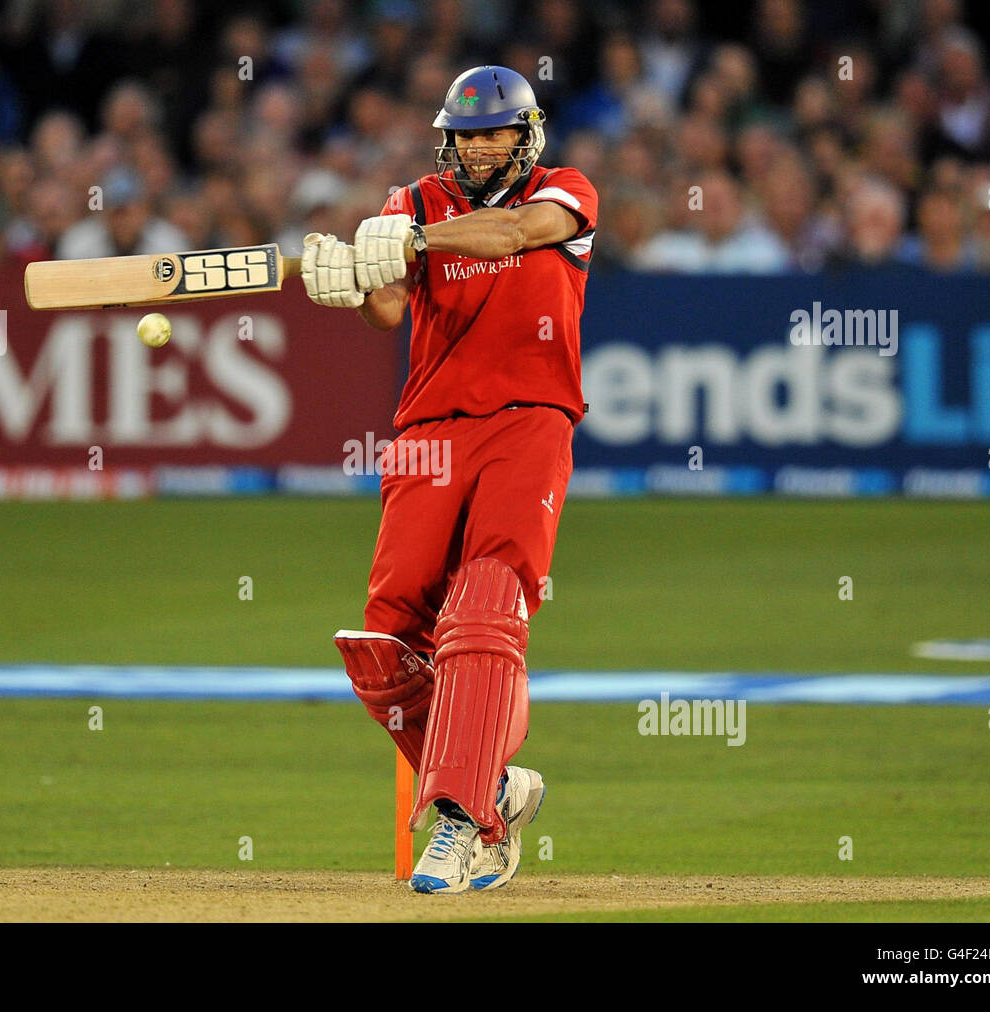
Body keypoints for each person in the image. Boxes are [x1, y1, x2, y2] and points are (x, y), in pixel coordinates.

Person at [300, 66, 597, 893]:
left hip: (530, 418)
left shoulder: (565, 191)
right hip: (428, 432)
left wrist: (416, 242)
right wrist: (355, 278)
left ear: (524, 134)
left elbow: (510, 236)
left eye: (492, 133)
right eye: (464, 136)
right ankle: (493, 793)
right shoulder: (415, 199)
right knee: (382, 642)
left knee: (484, 606)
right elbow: (390, 308)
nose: (475, 148)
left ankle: (463, 826)